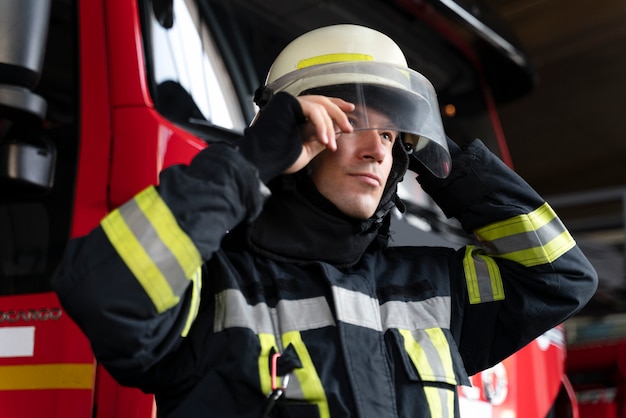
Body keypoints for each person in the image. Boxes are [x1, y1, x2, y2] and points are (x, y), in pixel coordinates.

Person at [52, 24, 598, 418]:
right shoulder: (215, 284)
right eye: (354, 120)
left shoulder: (433, 288)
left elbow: (560, 277)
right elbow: (105, 291)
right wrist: (250, 162)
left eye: (391, 134)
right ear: (294, 136)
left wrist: (450, 166)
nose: (378, 152)